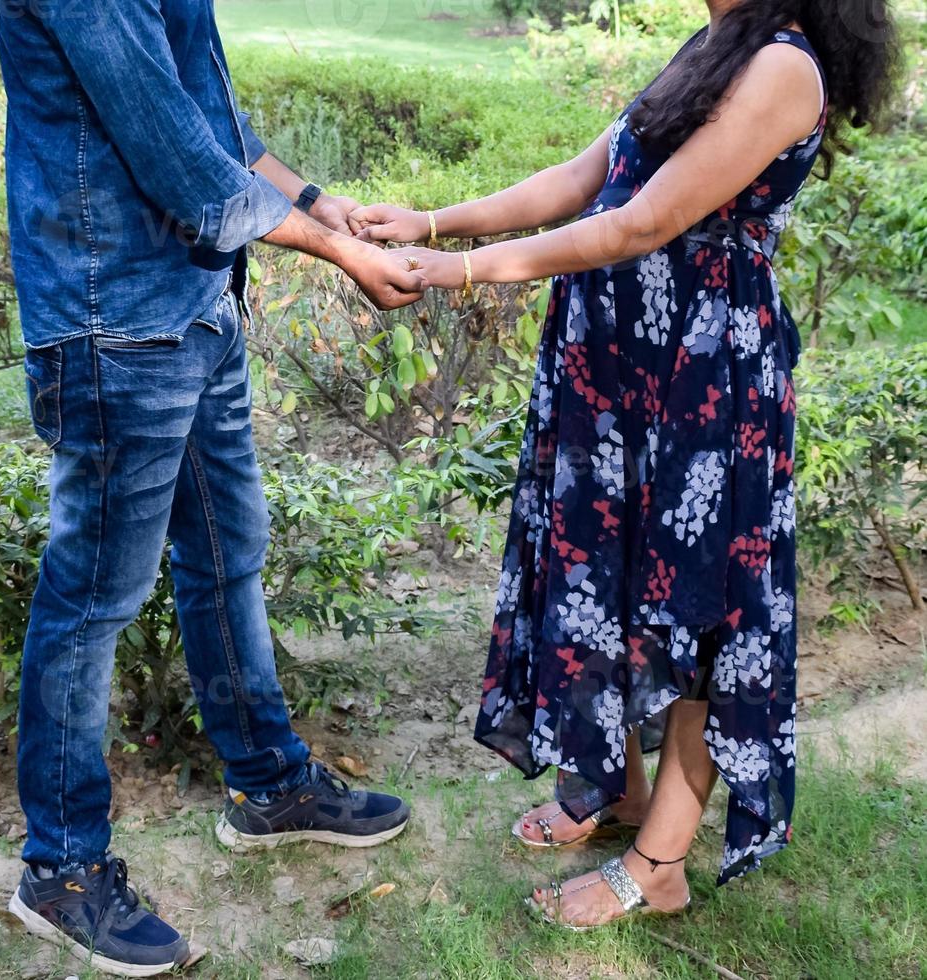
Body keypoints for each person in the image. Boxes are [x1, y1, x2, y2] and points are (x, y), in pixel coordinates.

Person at [353, 0, 898, 929]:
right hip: (621, 367)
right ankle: (621, 792)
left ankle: (660, 866)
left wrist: (468, 270)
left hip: (704, 381)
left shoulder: (782, 67)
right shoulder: (715, 45)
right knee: (607, 580)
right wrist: (437, 221)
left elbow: (642, 222)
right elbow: (585, 177)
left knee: (699, 610)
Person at [0, 0, 425, 974]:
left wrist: (322, 204)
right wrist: (342, 251)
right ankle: (59, 866)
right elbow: (180, 163)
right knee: (94, 595)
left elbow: (214, 125)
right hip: (114, 324)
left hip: (194, 306)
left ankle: (270, 785)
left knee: (227, 554)